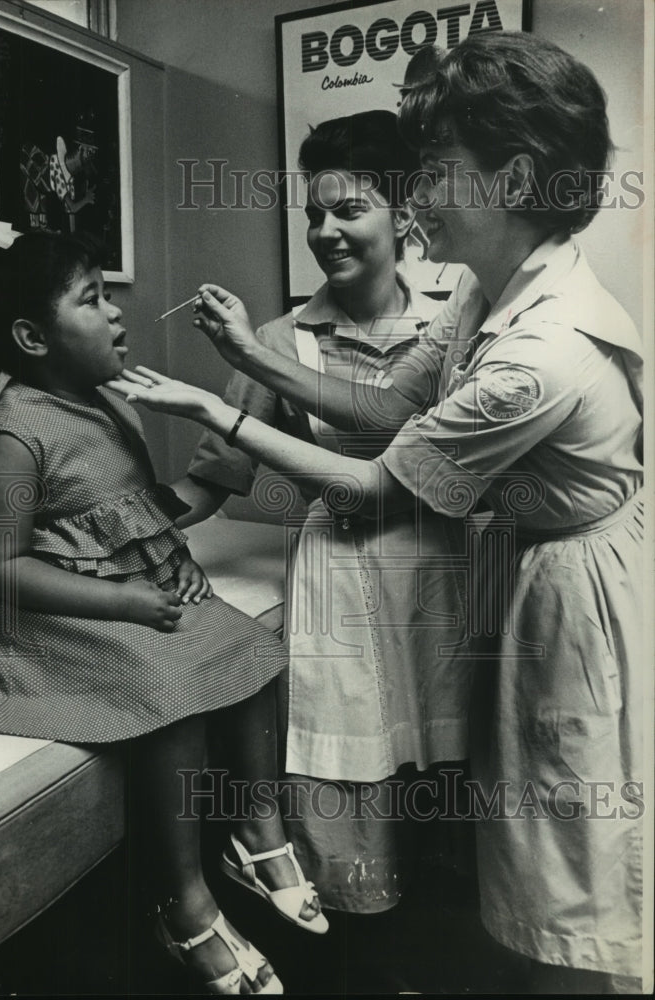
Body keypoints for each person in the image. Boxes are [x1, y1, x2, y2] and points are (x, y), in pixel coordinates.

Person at [109, 32, 645, 994]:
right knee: (522, 834)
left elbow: (370, 479)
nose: (416, 196)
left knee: (572, 852)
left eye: (429, 174)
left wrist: (212, 402)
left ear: (509, 177)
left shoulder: (539, 351)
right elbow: (386, 411)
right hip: (505, 567)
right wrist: (239, 377)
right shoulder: (492, 288)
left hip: (562, 589)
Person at [0, 226, 330, 997]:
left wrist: (170, 566)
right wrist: (126, 599)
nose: (118, 312)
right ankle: (183, 903)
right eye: (92, 299)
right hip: (31, 620)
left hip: (108, 589)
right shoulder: (13, 436)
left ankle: (257, 832)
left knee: (249, 652)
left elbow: (128, 516)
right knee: (173, 694)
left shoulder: (108, 407)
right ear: (32, 336)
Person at [171, 109, 472, 914]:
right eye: (313, 213)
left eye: (349, 210)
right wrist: (112, 531)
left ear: (403, 212)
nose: (326, 231)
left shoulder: (453, 317)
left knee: (450, 763)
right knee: (349, 759)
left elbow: (418, 430)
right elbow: (210, 483)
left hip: (446, 568)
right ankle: (357, 936)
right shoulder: (278, 337)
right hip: (340, 579)